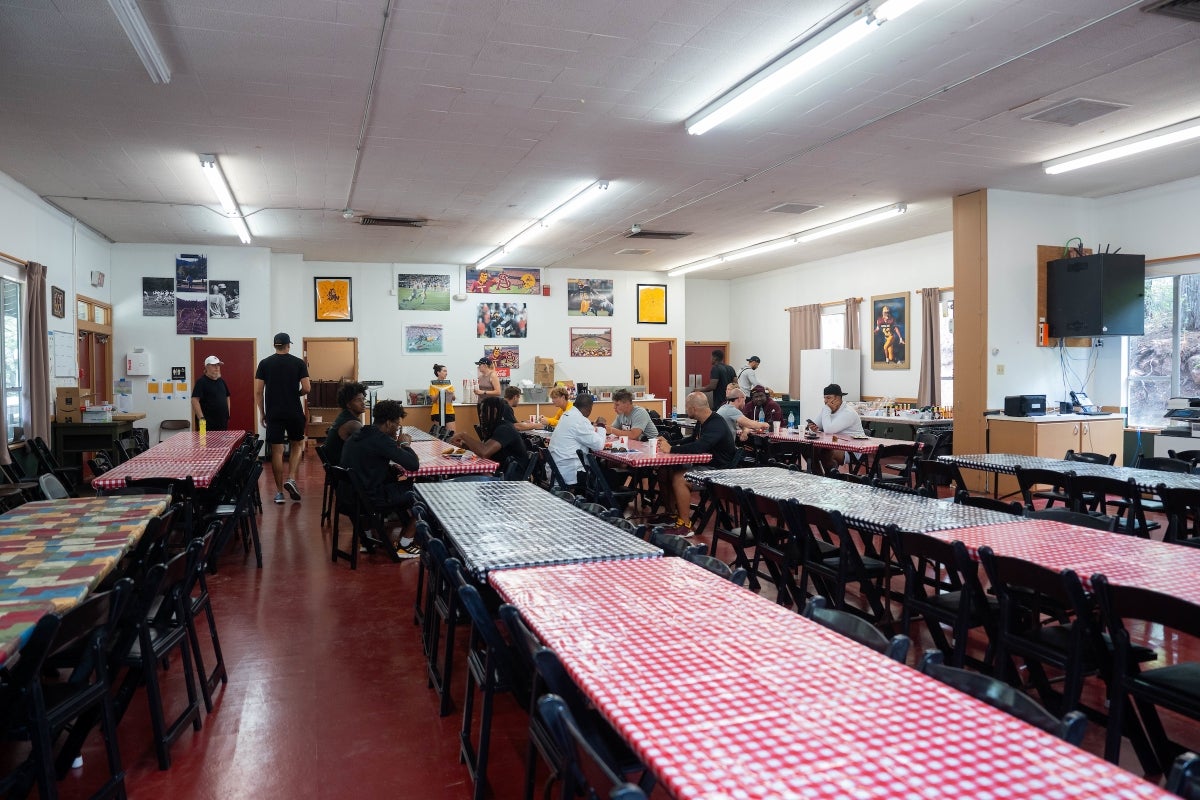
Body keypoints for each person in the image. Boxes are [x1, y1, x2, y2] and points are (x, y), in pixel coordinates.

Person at [339, 399, 421, 558]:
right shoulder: (381, 440)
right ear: (389, 423)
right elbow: (413, 465)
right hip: (369, 500)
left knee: (396, 480)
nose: (397, 429)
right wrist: (405, 444)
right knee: (425, 492)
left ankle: (367, 536)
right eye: (397, 425)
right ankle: (405, 544)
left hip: (348, 497)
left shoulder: (359, 433)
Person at [658, 392, 737, 533]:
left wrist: (671, 449)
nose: (686, 410)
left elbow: (699, 447)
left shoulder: (716, 424)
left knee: (680, 479)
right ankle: (672, 515)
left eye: (687, 407)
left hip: (718, 471)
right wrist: (669, 444)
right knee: (666, 470)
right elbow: (691, 441)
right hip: (704, 465)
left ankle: (685, 525)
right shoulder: (702, 422)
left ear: (693, 409)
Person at [255, 332, 311, 505]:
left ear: (275, 346)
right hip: (294, 411)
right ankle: (291, 478)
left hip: (274, 413)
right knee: (296, 444)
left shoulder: (264, 364)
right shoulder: (298, 363)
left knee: (277, 451)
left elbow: (258, 392)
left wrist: (262, 413)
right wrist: (297, 393)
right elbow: (307, 388)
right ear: (288, 345)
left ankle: (279, 492)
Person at [453, 396, 529, 472]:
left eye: (484, 411)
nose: (480, 415)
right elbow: (482, 449)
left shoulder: (505, 429)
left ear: (495, 411)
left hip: (509, 479)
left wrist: (463, 435)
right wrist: (463, 445)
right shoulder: (495, 427)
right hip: (497, 472)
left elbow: (484, 453)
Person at [548, 393, 605, 488]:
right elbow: (598, 446)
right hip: (569, 474)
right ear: (589, 408)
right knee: (607, 475)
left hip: (556, 470)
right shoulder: (580, 420)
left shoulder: (566, 415)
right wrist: (601, 426)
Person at [806, 383, 866, 472]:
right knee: (807, 448)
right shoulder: (828, 409)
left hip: (852, 449)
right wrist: (812, 427)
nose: (825, 401)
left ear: (838, 398)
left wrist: (826, 409)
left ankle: (832, 475)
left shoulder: (848, 413)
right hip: (835, 443)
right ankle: (818, 474)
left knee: (825, 452)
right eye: (824, 398)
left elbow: (828, 430)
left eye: (828, 398)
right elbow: (817, 425)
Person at [324, 381, 367, 466]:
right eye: (358, 400)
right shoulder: (353, 424)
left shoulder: (343, 417)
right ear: (349, 405)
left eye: (363, 399)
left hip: (338, 469)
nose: (363, 403)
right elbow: (369, 447)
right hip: (345, 472)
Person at [191, 355, 231, 431]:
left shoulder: (221, 381)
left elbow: (227, 396)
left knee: (222, 442)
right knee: (203, 442)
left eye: (218, 365)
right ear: (206, 367)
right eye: (213, 365)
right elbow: (194, 400)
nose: (217, 367)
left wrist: (227, 414)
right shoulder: (201, 382)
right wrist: (201, 419)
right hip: (204, 423)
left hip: (222, 422)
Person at [429, 364, 456, 433]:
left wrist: (450, 393)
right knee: (438, 435)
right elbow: (433, 400)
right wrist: (440, 391)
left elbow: (453, 398)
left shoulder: (449, 384)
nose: (446, 373)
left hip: (449, 411)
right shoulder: (433, 385)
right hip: (437, 412)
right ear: (438, 372)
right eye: (444, 371)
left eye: (446, 371)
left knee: (451, 435)